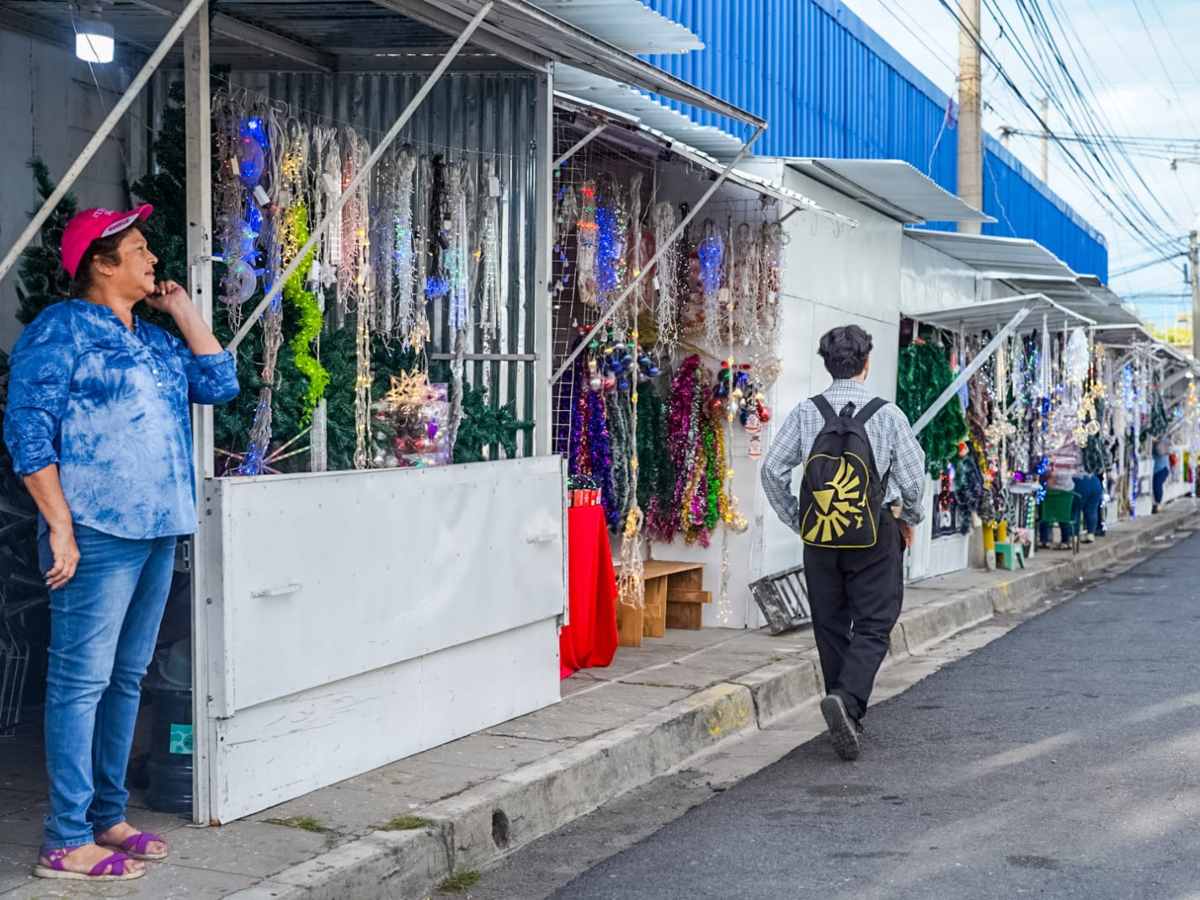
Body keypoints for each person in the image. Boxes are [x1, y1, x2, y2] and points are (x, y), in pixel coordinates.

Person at [4, 206, 239, 882]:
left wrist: (186, 310)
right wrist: (58, 524)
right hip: (96, 531)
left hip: (159, 525)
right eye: (137, 249)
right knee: (80, 682)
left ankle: (107, 816)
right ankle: (64, 838)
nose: (152, 259)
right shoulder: (61, 330)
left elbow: (219, 384)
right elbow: (27, 430)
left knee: (126, 678)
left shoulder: (156, 339)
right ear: (99, 264)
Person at [761, 325, 926, 761]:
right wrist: (908, 517)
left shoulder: (804, 412)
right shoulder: (888, 415)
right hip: (874, 533)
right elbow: (912, 478)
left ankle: (841, 705)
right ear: (866, 363)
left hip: (821, 536)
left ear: (827, 364)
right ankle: (848, 702)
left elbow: (771, 471)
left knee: (830, 623)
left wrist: (799, 520)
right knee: (875, 622)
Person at [1152, 438, 1170, 514]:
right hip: (1155, 469)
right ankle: (1156, 504)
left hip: (1162, 468)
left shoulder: (1164, 440)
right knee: (1155, 486)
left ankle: (1158, 504)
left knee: (1157, 485)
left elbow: (1161, 451)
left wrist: (1156, 442)